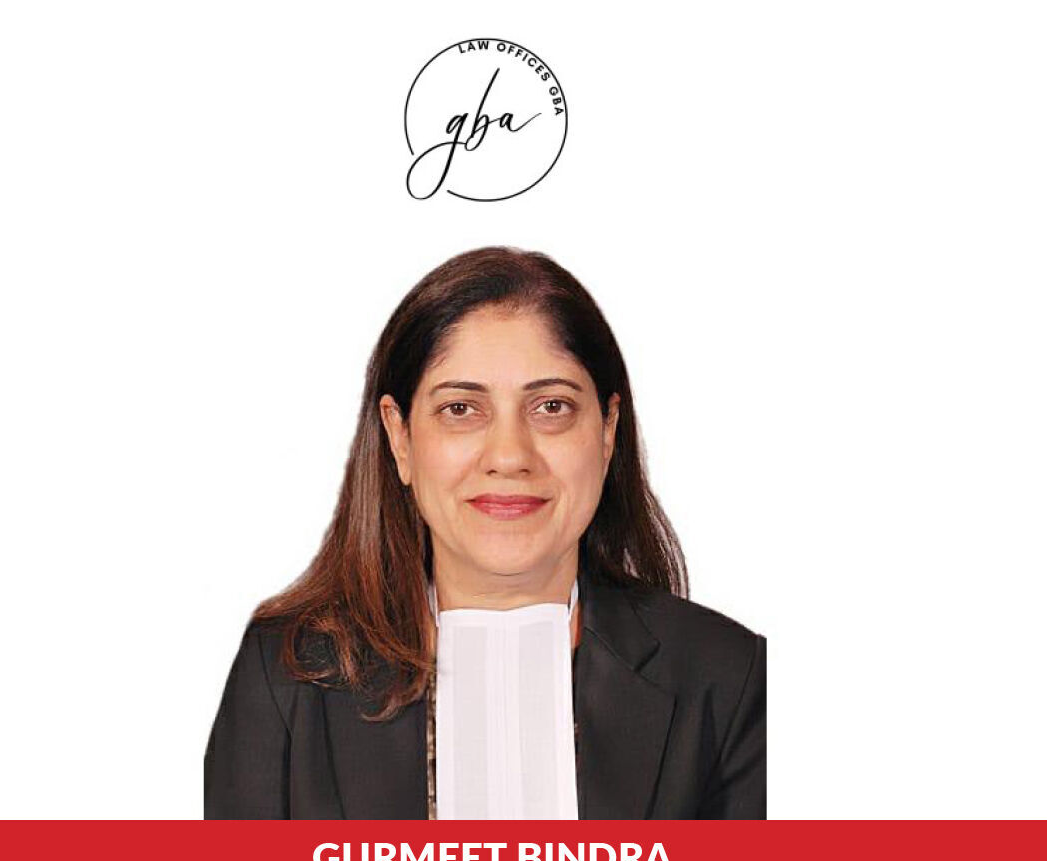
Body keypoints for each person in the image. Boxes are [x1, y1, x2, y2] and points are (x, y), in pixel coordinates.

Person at [204, 246, 765, 819]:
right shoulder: (286, 675)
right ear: (400, 438)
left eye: (551, 406)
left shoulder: (728, 677)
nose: (509, 456)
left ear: (607, 431)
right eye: (461, 409)